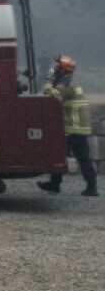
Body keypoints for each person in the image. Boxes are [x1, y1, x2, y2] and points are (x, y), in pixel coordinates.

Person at [37, 54, 98, 197]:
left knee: (82, 158)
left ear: (63, 71)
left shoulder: (67, 85)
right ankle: (55, 184)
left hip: (75, 130)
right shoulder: (69, 82)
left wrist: (48, 80)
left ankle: (92, 187)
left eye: (57, 68)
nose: (54, 70)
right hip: (74, 129)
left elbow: (53, 95)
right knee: (59, 155)